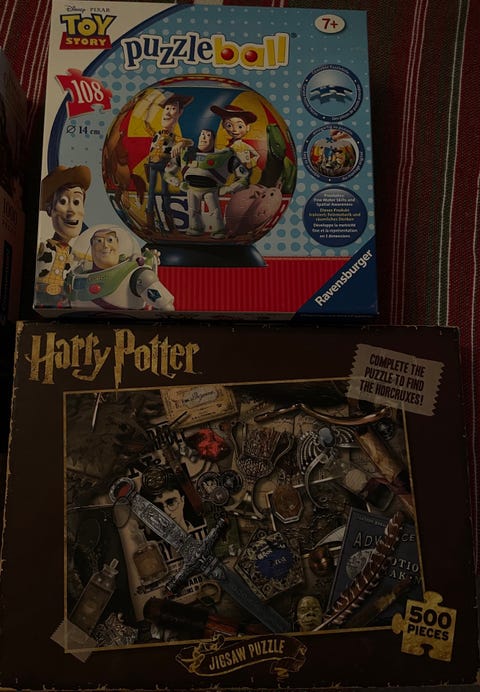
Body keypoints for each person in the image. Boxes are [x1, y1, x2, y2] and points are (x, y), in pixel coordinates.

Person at [66, 225, 174, 311]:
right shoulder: (77, 276)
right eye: (98, 241)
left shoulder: (136, 275)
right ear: (92, 246)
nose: (105, 245)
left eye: (110, 240)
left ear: (117, 244)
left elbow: (166, 309)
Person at [165, 128, 249, 238]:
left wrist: (229, 189)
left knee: (214, 212)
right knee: (193, 211)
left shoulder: (225, 157)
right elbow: (167, 173)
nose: (204, 137)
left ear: (214, 140)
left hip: (211, 190)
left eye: (208, 135)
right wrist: (178, 183)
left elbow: (244, 177)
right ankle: (195, 228)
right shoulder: (185, 154)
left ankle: (218, 230)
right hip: (191, 189)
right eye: (202, 134)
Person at [36, 164, 91, 307]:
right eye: (63, 201)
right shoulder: (42, 247)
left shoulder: (75, 255)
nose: (72, 210)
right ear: (50, 209)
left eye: (77, 202)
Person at [143, 91, 193, 233]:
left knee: (165, 193)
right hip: (152, 165)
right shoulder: (156, 134)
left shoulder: (174, 136)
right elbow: (146, 124)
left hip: (165, 166)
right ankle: (150, 221)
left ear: (179, 113)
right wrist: (148, 108)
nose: (168, 112)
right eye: (167, 108)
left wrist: (180, 144)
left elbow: (189, 142)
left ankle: (169, 222)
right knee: (151, 192)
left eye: (173, 109)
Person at [210, 104, 259, 175]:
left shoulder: (246, 146)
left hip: (246, 171)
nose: (234, 130)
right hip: (233, 173)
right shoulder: (230, 147)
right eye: (229, 125)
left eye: (240, 126)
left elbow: (257, 155)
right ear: (223, 125)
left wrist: (251, 163)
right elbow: (221, 154)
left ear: (247, 127)